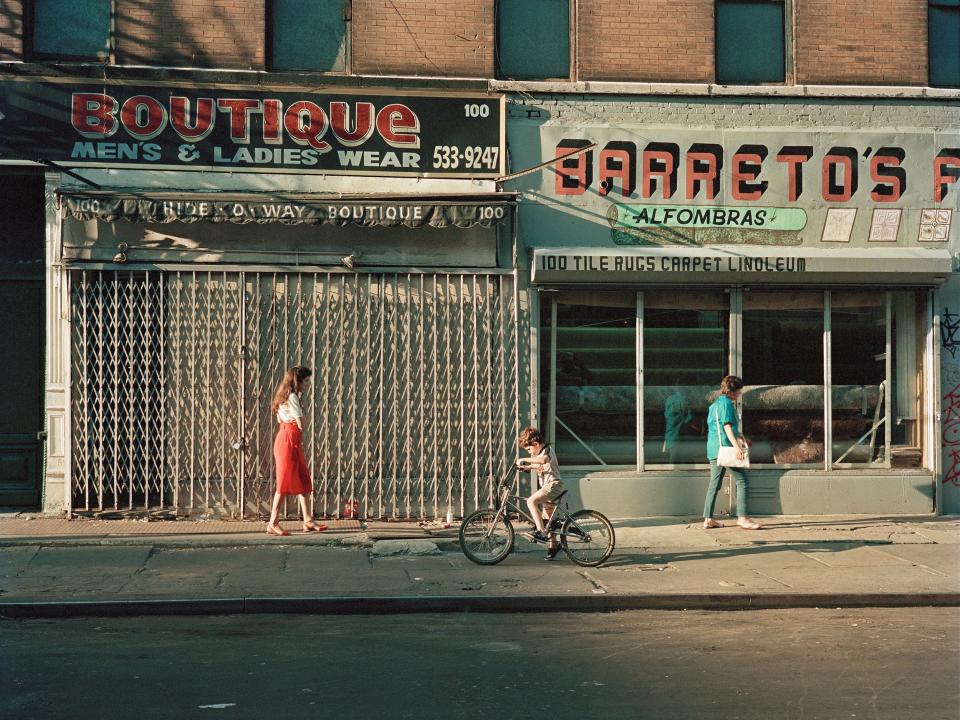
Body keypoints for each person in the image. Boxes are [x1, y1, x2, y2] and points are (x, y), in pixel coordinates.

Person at [266, 365, 327, 536]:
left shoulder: (282, 397)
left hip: (284, 437)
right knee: (284, 484)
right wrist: (299, 430)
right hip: (290, 439)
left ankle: (308, 520)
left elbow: (279, 418)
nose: (307, 384)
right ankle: (273, 523)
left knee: (302, 479)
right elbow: (300, 421)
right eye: (306, 381)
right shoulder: (292, 397)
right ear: (297, 381)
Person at [702, 375, 762, 531]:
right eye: (740, 391)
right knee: (742, 482)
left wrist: (741, 437)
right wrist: (737, 447)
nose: (740, 394)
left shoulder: (714, 405)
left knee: (714, 485)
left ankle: (708, 519)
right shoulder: (727, 405)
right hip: (727, 450)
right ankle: (742, 518)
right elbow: (727, 427)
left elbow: (719, 427)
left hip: (714, 449)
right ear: (733, 391)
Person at [516, 427, 566, 560]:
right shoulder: (539, 455)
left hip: (553, 485)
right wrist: (527, 467)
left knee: (531, 501)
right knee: (548, 520)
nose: (530, 453)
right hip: (548, 487)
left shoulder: (547, 450)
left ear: (536, 444)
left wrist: (524, 459)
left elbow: (543, 461)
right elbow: (539, 465)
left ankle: (540, 531)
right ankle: (553, 546)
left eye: (529, 449)